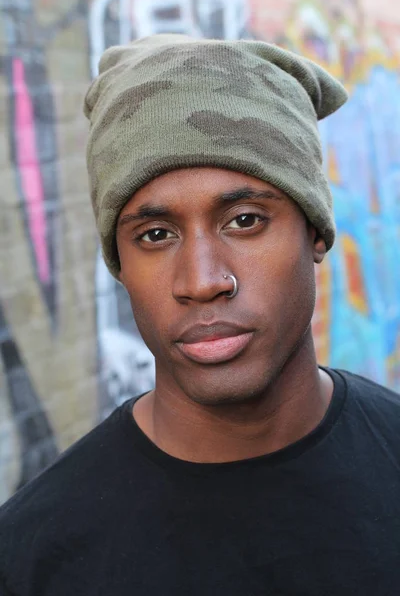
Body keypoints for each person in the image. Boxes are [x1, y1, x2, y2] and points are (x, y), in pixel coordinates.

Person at [0, 34, 399, 596]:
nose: (202, 281)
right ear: (120, 264)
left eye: (245, 220)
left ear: (314, 230)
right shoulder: (32, 557)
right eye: (156, 235)